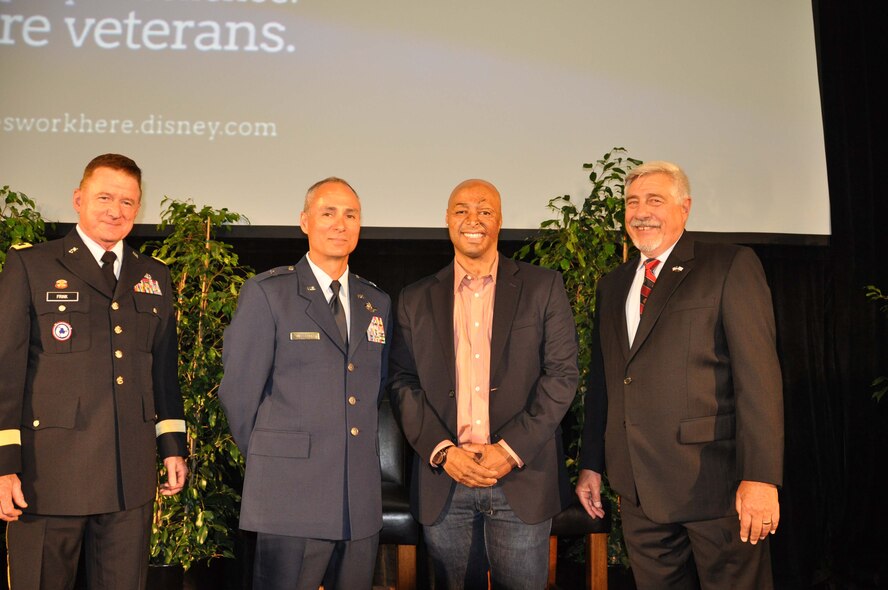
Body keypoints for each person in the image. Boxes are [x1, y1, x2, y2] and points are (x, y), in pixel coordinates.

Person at [576, 161, 784, 589]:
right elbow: (605, 382)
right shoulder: (612, 284)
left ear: (684, 208)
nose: (640, 212)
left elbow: (759, 380)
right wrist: (592, 464)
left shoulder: (729, 266)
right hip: (637, 492)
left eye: (655, 200)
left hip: (717, 488)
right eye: (632, 202)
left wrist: (761, 477)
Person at [0, 153, 188, 589]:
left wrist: (173, 446)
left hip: (129, 478)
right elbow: (6, 370)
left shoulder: (153, 275)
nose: (115, 211)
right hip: (48, 475)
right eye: (104, 197)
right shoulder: (32, 265)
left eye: (127, 202)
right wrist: (5, 464)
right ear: (78, 199)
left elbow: (162, 372)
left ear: (138, 209)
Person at [389, 179, 579, 589]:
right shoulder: (414, 298)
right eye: (461, 210)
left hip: (520, 480)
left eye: (484, 210)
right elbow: (403, 382)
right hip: (446, 482)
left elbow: (562, 376)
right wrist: (443, 452)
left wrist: (509, 451)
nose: (472, 219)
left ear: (500, 221)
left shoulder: (543, 287)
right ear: (446, 220)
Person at [219, 177, 391, 590]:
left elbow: (375, 388)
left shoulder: (376, 301)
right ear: (304, 221)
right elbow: (239, 394)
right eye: (328, 213)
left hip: (358, 499)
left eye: (351, 215)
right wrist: (275, 456)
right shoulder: (268, 293)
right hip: (289, 495)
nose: (340, 223)